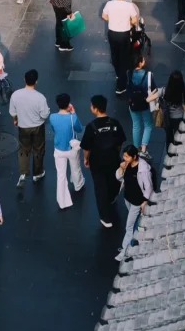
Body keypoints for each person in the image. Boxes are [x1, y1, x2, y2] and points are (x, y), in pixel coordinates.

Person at [81, 95, 127, 228]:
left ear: (95, 109)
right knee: (113, 179)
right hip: (113, 158)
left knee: (100, 188)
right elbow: (120, 141)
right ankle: (112, 197)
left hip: (97, 162)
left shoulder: (91, 127)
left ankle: (105, 217)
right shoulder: (115, 123)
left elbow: (86, 147)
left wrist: (86, 159)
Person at [9, 68, 50, 186]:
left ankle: (23, 173)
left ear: (24, 80)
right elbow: (44, 114)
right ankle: (37, 173)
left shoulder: (16, 95)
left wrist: (16, 120)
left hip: (23, 127)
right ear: (36, 81)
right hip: (37, 126)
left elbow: (13, 112)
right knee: (38, 149)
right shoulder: (40, 97)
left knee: (24, 149)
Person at [115, 144, 155, 262]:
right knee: (133, 223)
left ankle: (125, 250)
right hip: (128, 198)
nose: (124, 158)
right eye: (124, 156)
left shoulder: (143, 169)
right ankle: (131, 244)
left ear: (134, 157)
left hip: (137, 202)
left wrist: (145, 201)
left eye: (127, 156)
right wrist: (122, 168)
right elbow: (119, 178)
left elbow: (148, 187)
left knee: (129, 226)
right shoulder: (126, 165)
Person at [49, 92, 85, 210]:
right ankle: (78, 185)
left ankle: (62, 200)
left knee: (61, 175)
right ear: (68, 104)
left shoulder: (52, 117)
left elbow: (53, 129)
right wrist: (74, 113)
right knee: (75, 168)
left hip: (59, 149)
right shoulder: (71, 117)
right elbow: (79, 129)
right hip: (71, 148)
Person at [101, 0, 139, 95]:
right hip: (124, 34)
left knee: (114, 54)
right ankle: (121, 85)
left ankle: (118, 72)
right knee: (124, 57)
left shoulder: (109, 4)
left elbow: (104, 16)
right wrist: (128, 22)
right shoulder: (129, 6)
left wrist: (111, 20)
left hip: (112, 33)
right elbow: (134, 20)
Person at [125, 52, 160, 151]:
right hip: (145, 103)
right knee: (148, 125)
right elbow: (154, 89)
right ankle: (144, 147)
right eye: (143, 60)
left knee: (136, 125)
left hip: (133, 103)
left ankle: (136, 147)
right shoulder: (148, 75)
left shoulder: (128, 73)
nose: (144, 61)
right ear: (140, 63)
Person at [160, 70, 185, 147]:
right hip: (179, 117)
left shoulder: (164, 90)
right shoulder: (183, 91)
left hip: (168, 118)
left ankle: (169, 152)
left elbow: (149, 98)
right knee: (179, 137)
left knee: (169, 137)